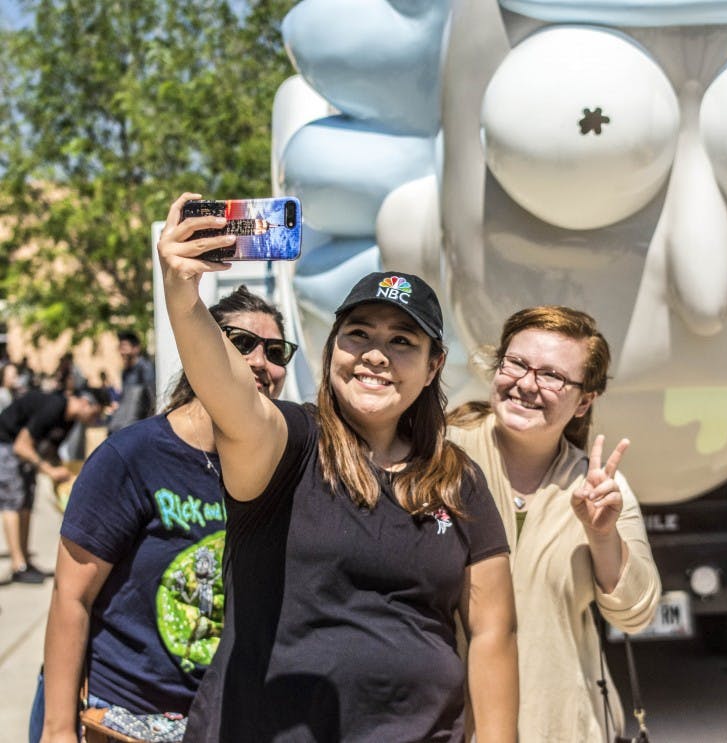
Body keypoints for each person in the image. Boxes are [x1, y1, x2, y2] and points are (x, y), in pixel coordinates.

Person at [158, 193, 517, 743]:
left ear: (433, 365)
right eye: (359, 334)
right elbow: (231, 394)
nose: (376, 354)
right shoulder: (289, 444)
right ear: (333, 349)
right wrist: (184, 298)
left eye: (402, 341)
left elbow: (493, 631)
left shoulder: (457, 476)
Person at [30, 286, 292, 743]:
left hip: (217, 721)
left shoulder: (282, 468)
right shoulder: (132, 457)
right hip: (120, 718)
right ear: (202, 348)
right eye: (240, 343)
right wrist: (57, 731)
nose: (259, 362)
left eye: (275, 351)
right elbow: (71, 598)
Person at [447, 305, 661, 742]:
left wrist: (603, 535)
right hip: (449, 724)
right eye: (517, 364)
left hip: (563, 726)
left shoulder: (601, 486)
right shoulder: (441, 458)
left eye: (552, 376)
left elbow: (637, 613)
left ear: (584, 401)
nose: (527, 384)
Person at [0, 388, 102, 584]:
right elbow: (21, 446)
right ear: (84, 402)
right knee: (13, 503)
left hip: (24, 453)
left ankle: (25, 560)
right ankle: (18, 565)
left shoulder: (69, 421)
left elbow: (50, 451)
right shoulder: (55, 407)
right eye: (95, 413)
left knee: (26, 504)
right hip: (6, 445)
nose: (94, 419)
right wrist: (50, 470)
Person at [108, 329, 156, 433]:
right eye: (120, 347)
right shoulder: (125, 372)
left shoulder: (145, 368)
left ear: (136, 349)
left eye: (124, 347)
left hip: (140, 425)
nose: (122, 352)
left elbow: (152, 397)